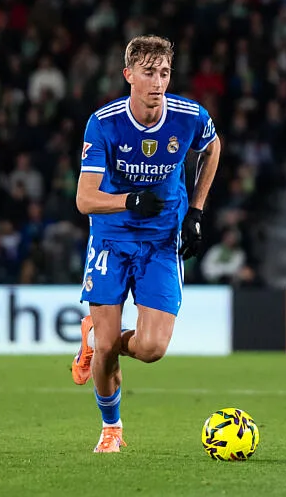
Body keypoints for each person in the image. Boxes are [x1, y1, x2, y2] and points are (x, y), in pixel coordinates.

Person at [70, 35, 221, 453]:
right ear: (129, 75)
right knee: (106, 351)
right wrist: (129, 201)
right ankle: (111, 429)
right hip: (112, 239)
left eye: (165, 73)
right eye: (149, 73)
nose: (158, 82)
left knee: (152, 348)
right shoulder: (104, 123)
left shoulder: (189, 116)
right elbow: (84, 199)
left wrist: (196, 211)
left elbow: (212, 148)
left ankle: (97, 339)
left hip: (161, 240)